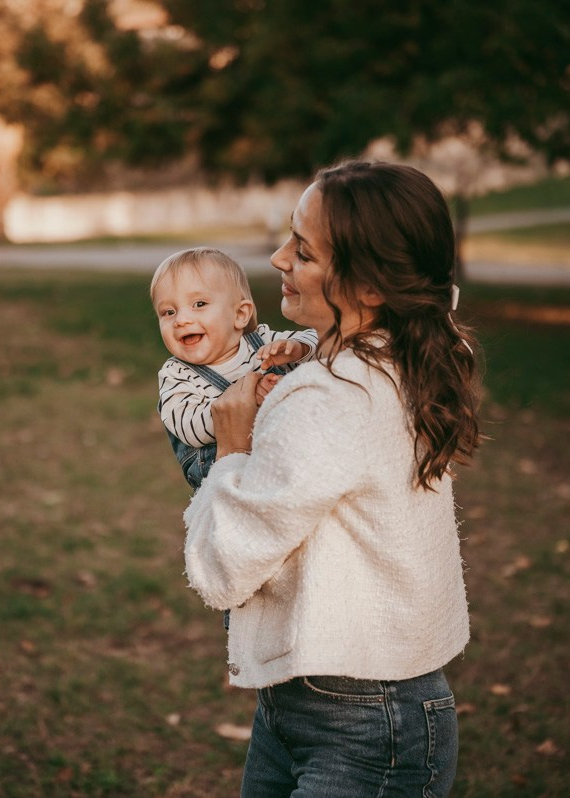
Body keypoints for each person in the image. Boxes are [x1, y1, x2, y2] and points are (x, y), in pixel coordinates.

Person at [182, 161, 481, 797]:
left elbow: (221, 569)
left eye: (304, 251)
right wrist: (307, 350)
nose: (277, 256)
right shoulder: (402, 356)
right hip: (350, 700)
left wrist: (232, 448)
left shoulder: (328, 399)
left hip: (361, 729)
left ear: (369, 286)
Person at [152, 247, 318, 490]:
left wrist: (298, 348)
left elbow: (322, 340)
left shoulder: (263, 342)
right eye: (168, 312)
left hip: (289, 459)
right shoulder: (176, 374)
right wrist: (243, 403)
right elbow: (188, 429)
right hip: (226, 478)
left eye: (199, 304)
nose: (181, 320)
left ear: (240, 314)